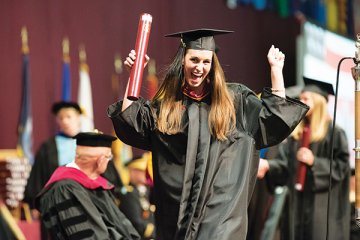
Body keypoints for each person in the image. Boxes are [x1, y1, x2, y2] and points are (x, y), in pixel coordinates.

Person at [107, 28, 309, 240]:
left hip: (221, 214)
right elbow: (131, 123)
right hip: (178, 216)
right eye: (194, 60)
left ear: (213, 65)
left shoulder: (236, 100)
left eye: (206, 62)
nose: (199, 67)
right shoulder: (167, 107)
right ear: (182, 61)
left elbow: (274, 121)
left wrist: (276, 72)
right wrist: (134, 74)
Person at [258, 77, 351, 240]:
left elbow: (342, 168)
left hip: (322, 210)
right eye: (301, 98)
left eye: (306, 98)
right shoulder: (297, 134)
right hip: (296, 206)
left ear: (319, 102)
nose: (301, 101)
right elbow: (286, 166)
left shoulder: (334, 133)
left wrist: (315, 162)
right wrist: (269, 166)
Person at [35, 131, 141, 240]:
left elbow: (122, 224)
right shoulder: (65, 190)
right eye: (108, 158)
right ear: (100, 161)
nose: (109, 162)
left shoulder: (98, 185)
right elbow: (89, 236)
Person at [24, 101, 82, 211]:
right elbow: (38, 176)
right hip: (56, 201)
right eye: (61, 118)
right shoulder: (49, 146)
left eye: (69, 117)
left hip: (85, 198)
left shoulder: (90, 142)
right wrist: (35, 204)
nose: (65, 121)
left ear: (78, 118)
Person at [119, 154, 156, 239]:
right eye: (141, 170)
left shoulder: (148, 192)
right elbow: (136, 222)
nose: (145, 173)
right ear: (132, 171)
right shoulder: (129, 193)